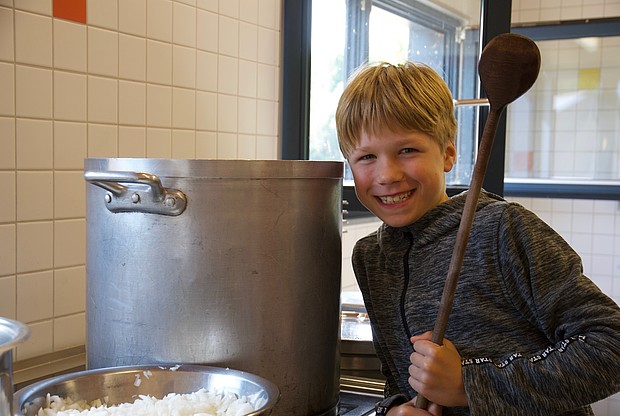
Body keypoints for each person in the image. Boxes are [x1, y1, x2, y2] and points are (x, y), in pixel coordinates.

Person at [335, 61, 620, 416]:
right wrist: (393, 409)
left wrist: (469, 384)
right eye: (367, 157)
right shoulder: (371, 257)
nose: (387, 174)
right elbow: (399, 376)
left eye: (407, 150)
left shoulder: (502, 229)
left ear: (448, 153)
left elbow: (610, 345)